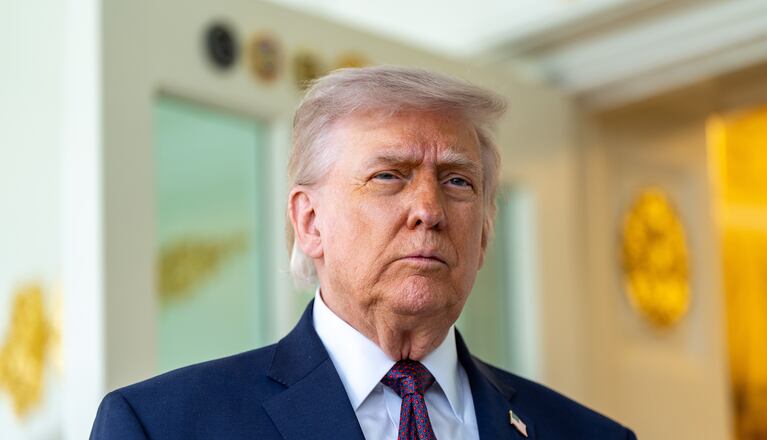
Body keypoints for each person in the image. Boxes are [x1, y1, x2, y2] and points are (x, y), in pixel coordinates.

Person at [90, 65, 637, 439]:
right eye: (388, 176)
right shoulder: (162, 426)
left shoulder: (587, 434)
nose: (429, 209)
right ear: (310, 222)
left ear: (486, 235)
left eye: (457, 181)